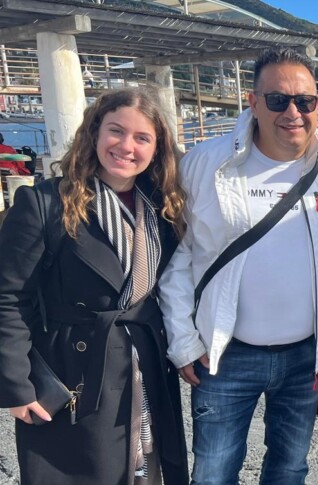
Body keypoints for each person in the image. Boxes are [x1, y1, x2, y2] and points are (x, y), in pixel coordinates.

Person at [158, 47, 318, 484]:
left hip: (305, 354)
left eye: (305, 101)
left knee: (290, 468)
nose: (292, 112)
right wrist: (183, 341)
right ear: (253, 101)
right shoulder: (204, 164)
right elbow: (176, 259)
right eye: (278, 100)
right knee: (213, 472)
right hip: (224, 353)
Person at [0, 87, 189, 484]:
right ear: (94, 133)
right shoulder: (46, 203)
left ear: (157, 149)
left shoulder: (162, 207)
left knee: (146, 467)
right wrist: (16, 385)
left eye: (142, 138)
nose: (126, 146)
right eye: (115, 131)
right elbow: (9, 298)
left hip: (144, 361)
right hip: (73, 367)